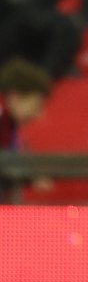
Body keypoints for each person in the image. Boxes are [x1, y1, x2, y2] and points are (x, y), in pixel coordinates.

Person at [0, 59, 52, 203]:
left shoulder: (9, 124)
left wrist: (30, 176)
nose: (39, 114)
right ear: (15, 97)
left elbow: (15, 155)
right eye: (36, 105)